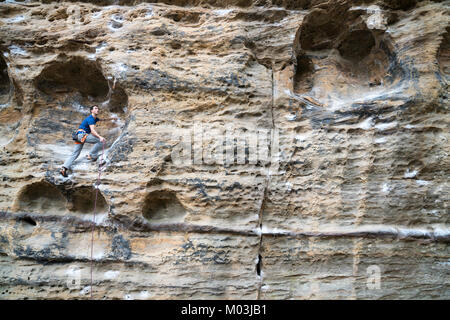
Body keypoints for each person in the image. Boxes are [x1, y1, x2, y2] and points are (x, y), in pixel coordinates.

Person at [60, 105, 115, 177]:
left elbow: (102, 119)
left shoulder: (94, 118)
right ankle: (91, 155)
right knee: (101, 141)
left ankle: (64, 168)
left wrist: (112, 118)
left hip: (78, 136)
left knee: (75, 153)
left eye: (98, 108)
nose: (97, 109)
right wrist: (100, 137)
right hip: (82, 135)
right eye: (95, 108)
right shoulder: (91, 119)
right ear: (91, 111)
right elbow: (92, 131)